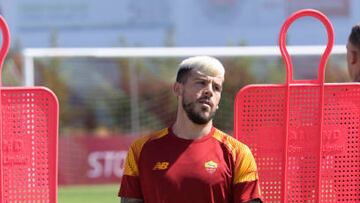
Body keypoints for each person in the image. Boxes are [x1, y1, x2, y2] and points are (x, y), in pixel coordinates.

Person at [118, 56, 262, 203]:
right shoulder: (141, 150)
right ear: (178, 89)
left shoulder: (238, 153)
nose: (209, 91)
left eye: (216, 87)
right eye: (201, 83)